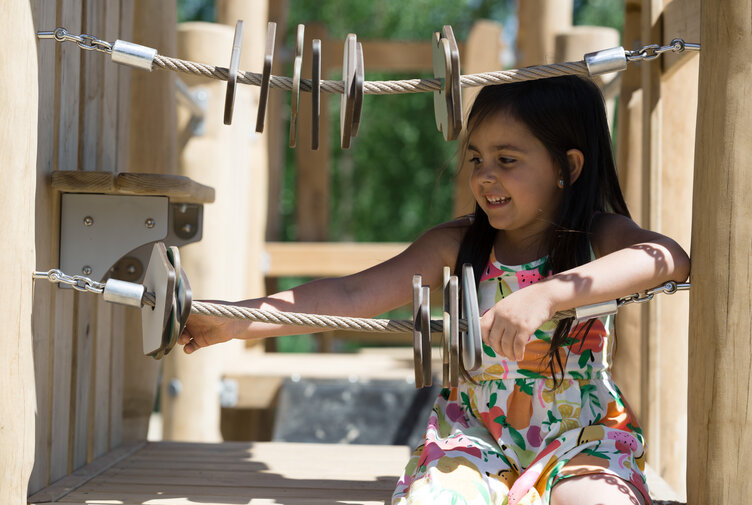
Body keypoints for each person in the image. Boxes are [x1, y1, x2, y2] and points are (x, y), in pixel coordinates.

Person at [178, 75, 690, 505]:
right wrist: (235, 317)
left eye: (507, 159)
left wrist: (547, 295)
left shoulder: (598, 238)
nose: (485, 175)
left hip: (583, 440)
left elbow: (668, 258)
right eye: (475, 159)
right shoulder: (457, 245)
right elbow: (353, 298)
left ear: (568, 168)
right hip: (476, 438)